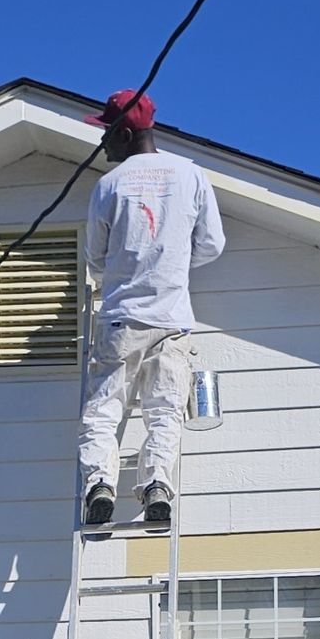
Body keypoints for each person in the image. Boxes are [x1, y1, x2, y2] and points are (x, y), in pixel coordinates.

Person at [77, 88, 225, 526]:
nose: (103, 142)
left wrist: (128, 267)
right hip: (172, 321)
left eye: (107, 133)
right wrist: (174, 264)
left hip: (122, 319)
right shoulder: (191, 175)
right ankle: (157, 483)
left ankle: (99, 485)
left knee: (103, 409)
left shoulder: (108, 186)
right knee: (163, 411)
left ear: (125, 132)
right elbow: (213, 244)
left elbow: (95, 257)